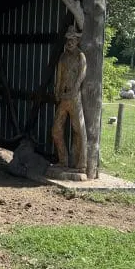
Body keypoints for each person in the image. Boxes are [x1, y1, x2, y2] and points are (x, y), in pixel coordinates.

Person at [52, 26, 87, 170]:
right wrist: (57, 90)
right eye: (68, 39)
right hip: (63, 96)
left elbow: (82, 74)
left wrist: (75, 89)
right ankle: (63, 160)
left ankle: (81, 162)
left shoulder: (80, 56)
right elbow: (59, 75)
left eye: (73, 39)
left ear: (77, 41)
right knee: (56, 129)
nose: (70, 42)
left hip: (74, 97)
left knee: (78, 128)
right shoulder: (63, 56)